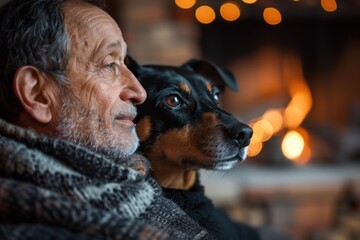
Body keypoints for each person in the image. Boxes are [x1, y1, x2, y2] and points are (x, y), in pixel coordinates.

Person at [0, 0, 213, 239]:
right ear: (38, 94)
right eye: (109, 64)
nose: (139, 92)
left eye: (124, 62)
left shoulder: (130, 183)